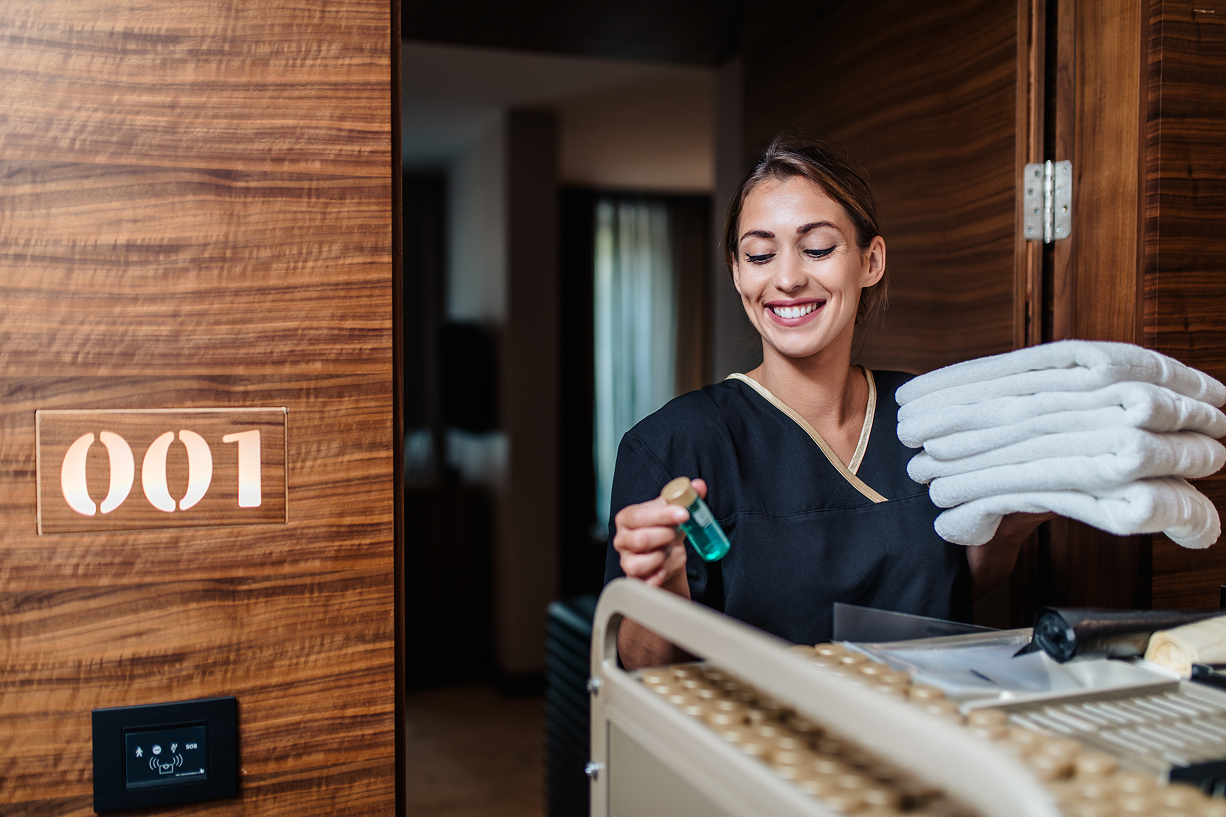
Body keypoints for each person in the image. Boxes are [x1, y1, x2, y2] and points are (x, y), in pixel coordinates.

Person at [604, 133, 1051, 670]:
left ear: (871, 261)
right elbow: (639, 670)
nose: (788, 278)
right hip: (758, 746)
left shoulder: (927, 413)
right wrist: (661, 588)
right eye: (761, 254)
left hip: (924, 733)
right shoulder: (676, 444)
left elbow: (952, 585)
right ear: (737, 272)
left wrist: (1013, 527)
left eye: (817, 248)